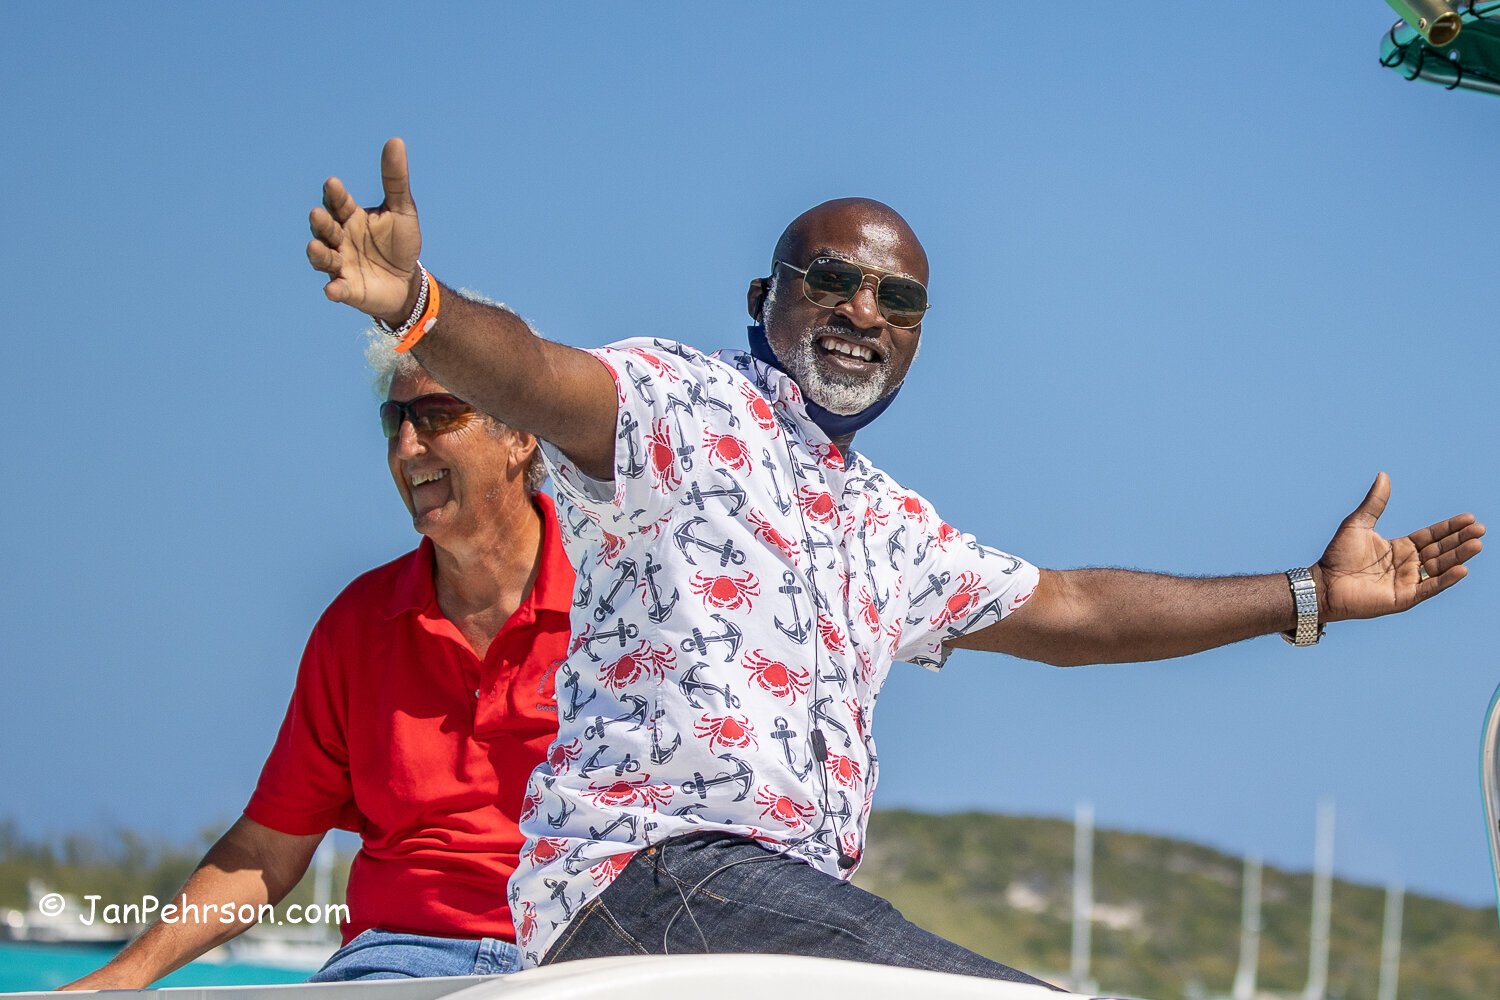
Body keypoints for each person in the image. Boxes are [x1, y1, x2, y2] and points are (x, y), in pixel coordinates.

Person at [302, 139, 1484, 982]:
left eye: (899, 296)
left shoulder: (889, 525)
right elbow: (531, 370)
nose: (865, 306)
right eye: (835, 279)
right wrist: (420, 307)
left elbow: (1073, 609)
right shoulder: (679, 404)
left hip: (766, 902)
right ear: (765, 297)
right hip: (648, 879)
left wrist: (1310, 595)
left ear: (917, 335)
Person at [61, 341, 571, 988]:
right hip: (400, 960)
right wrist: (117, 980)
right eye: (395, 420)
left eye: (437, 414)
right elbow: (270, 848)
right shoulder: (358, 625)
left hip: (585, 955)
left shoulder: (623, 605)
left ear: (521, 434)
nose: (407, 447)